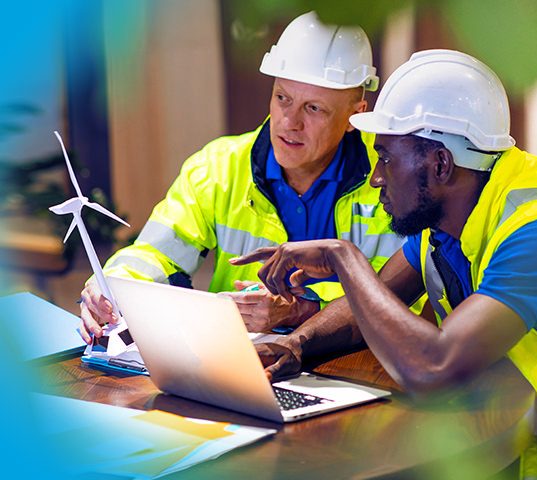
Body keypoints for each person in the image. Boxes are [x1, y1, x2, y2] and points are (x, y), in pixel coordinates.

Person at [232, 50, 537, 479]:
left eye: (387, 157)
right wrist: (297, 344)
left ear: (440, 164)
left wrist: (344, 257)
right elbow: (371, 306)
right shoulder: (450, 218)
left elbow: (435, 367)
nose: (375, 177)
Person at [77, 11, 404, 342]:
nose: (289, 121)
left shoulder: (393, 179)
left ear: (355, 115)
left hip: (353, 362)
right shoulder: (218, 167)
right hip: (237, 359)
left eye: (313, 108)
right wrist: (112, 286)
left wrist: (303, 310)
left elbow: (406, 302)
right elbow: (154, 254)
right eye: (283, 98)